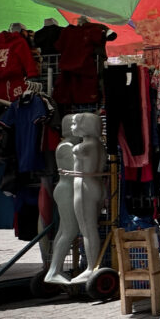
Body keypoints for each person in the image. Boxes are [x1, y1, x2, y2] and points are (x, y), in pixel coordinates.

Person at [45, 113, 105, 285]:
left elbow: (82, 167)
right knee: (69, 230)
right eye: (70, 124)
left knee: (72, 229)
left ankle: (56, 270)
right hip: (71, 189)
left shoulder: (80, 146)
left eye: (74, 123)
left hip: (80, 187)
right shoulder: (69, 146)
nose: (72, 127)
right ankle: (54, 270)